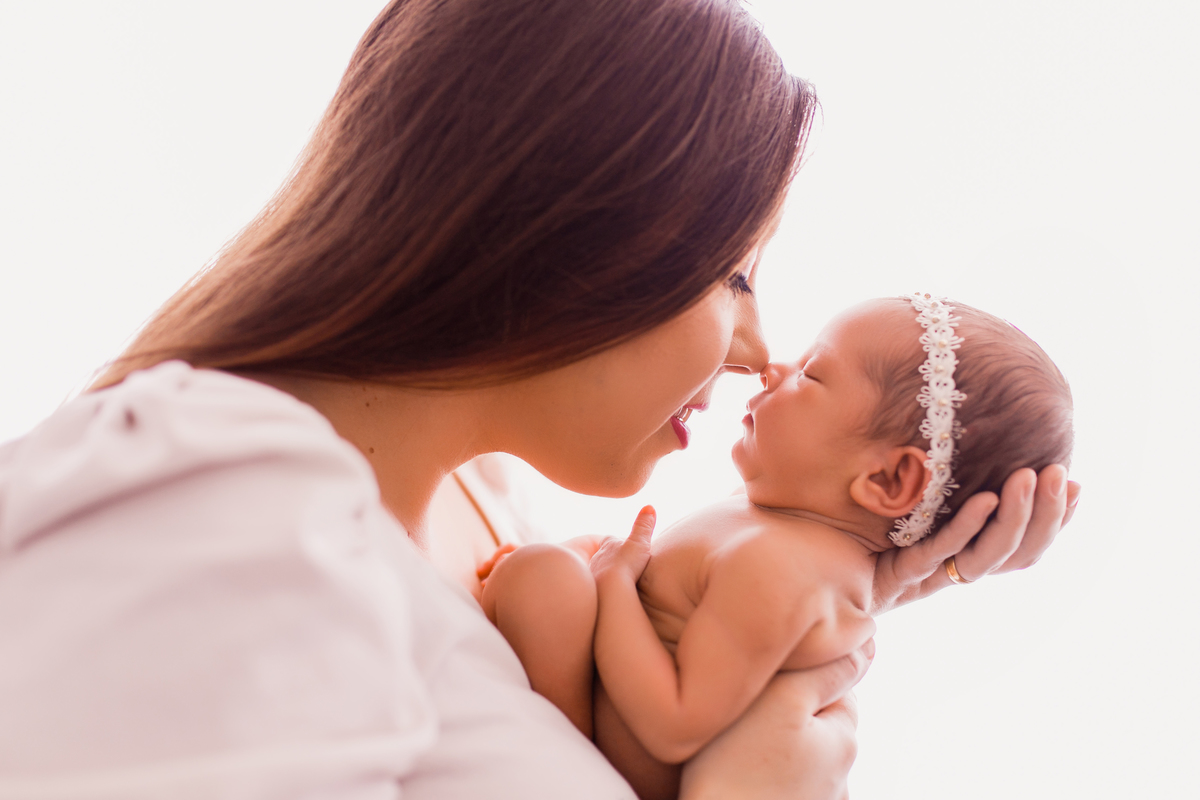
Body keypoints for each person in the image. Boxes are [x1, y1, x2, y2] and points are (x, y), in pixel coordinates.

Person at [0, 1, 1079, 798]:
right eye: (738, 276)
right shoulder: (236, 507)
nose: (760, 351)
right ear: (581, 228)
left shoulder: (482, 510)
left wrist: (861, 579)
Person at [478, 294, 1074, 798]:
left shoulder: (780, 569)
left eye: (813, 374)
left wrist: (608, 580)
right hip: (616, 705)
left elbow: (674, 725)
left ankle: (556, 749)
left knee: (544, 579)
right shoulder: (784, 531)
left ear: (889, 481)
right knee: (550, 573)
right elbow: (663, 590)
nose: (773, 368)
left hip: (622, 753)